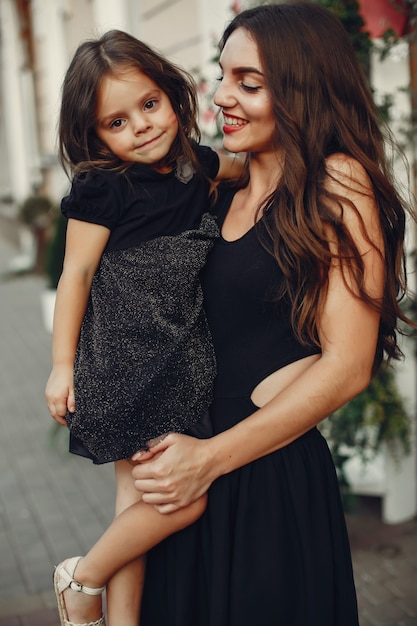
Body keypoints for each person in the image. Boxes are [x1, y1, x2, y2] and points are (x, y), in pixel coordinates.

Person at [132, 3, 415, 625]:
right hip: (181, 478)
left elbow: (346, 366)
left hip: (262, 480)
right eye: (224, 76)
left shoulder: (337, 185)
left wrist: (207, 460)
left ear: (304, 89)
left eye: (250, 84)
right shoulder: (217, 190)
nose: (224, 97)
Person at [45, 29, 242, 626]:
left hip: (175, 356)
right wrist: (60, 366)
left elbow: (242, 169)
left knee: (138, 502)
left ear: (172, 96)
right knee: (182, 502)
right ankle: (83, 580)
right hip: (123, 362)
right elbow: (74, 275)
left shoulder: (196, 164)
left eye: (149, 105)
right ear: (95, 136)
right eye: (116, 122)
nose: (141, 127)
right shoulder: (103, 187)